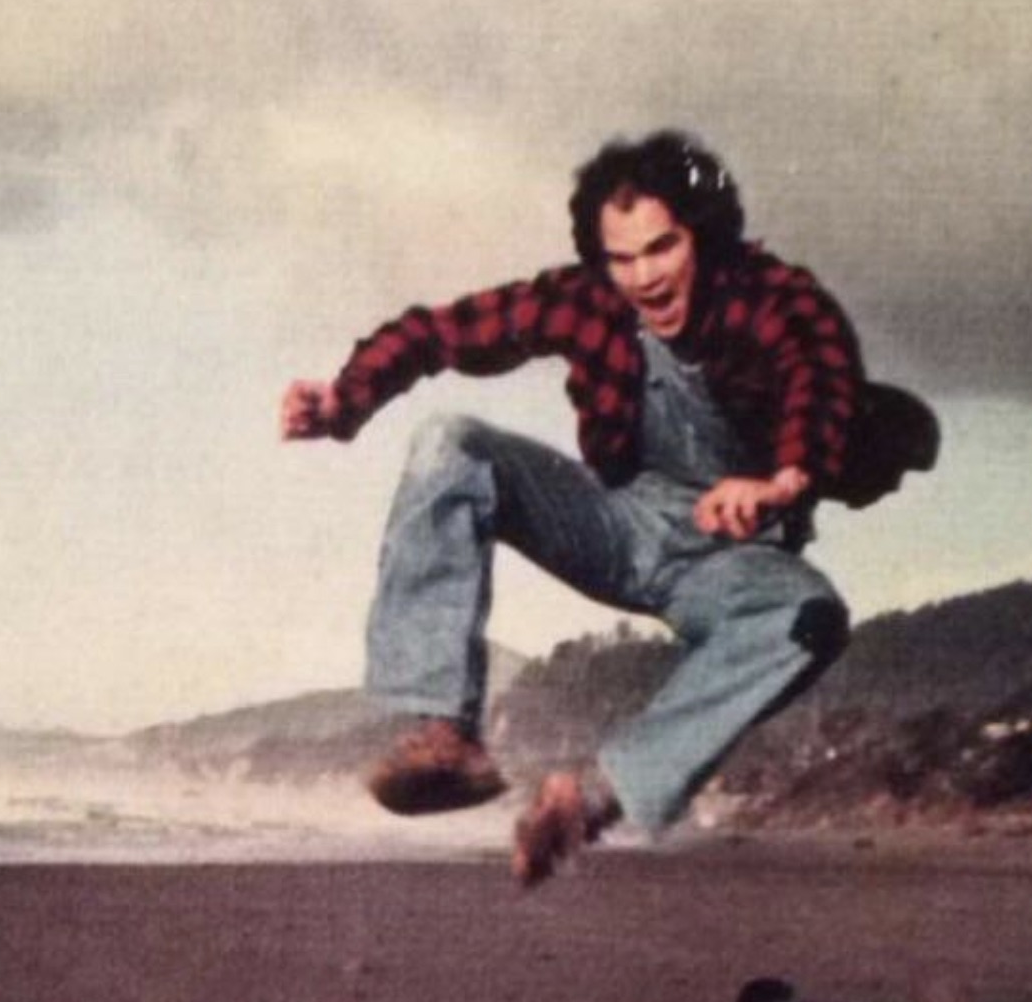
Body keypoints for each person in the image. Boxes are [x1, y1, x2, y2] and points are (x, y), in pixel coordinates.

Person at [280, 130, 859, 887]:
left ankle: (590, 797)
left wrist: (781, 483)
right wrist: (344, 398)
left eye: (663, 248)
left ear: (703, 237)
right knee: (450, 443)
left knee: (812, 617)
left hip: (732, 559)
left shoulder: (774, 297)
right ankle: (445, 734)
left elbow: (821, 374)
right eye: (622, 259)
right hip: (619, 524)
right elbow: (438, 334)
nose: (644, 278)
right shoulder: (588, 301)